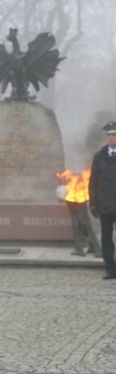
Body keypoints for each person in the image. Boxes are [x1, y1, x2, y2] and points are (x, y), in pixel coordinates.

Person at [89, 120, 116, 280]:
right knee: (106, 239)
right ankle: (110, 269)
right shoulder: (99, 156)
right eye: (109, 135)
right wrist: (92, 203)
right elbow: (93, 182)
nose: (112, 138)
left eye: (114, 135)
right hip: (105, 204)